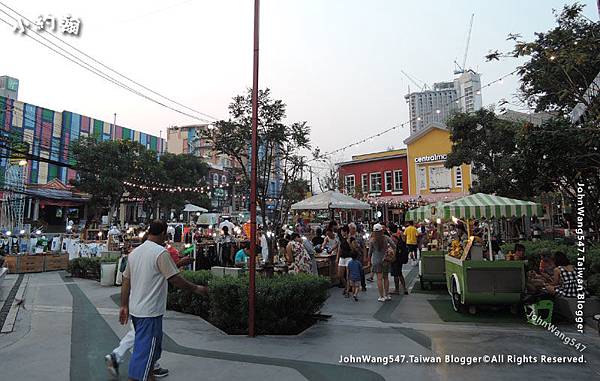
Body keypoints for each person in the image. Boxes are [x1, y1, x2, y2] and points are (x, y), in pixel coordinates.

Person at [117, 220, 207, 381]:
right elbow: (174, 279)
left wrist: (124, 305)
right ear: (164, 233)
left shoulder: (135, 253)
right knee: (144, 352)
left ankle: (149, 375)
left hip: (137, 310)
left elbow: (125, 280)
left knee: (151, 348)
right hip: (149, 311)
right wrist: (195, 288)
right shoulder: (160, 252)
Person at [369, 223, 396, 302]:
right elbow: (394, 246)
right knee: (386, 278)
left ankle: (381, 296)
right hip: (385, 261)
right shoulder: (386, 238)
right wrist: (390, 251)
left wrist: (368, 260)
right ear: (382, 230)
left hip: (376, 261)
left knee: (379, 279)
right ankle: (387, 295)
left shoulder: (372, 240)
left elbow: (370, 252)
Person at [388, 223, 409, 295]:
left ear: (390, 230)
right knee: (400, 273)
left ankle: (397, 290)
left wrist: (391, 258)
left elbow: (392, 249)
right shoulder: (400, 235)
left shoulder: (392, 238)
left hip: (395, 258)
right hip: (401, 257)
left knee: (395, 274)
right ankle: (405, 288)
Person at [336, 225, 353, 295]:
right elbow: (339, 248)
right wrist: (337, 257)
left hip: (349, 257)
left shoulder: (351, 238)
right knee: (340, 275)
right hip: (342, 258)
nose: (341, 232)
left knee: (348, 275)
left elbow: (353, 249)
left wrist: (349, 242)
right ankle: (347, 287)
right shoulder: (341, 238)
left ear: (346, 231)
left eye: (342, 231)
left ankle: (347, 290)